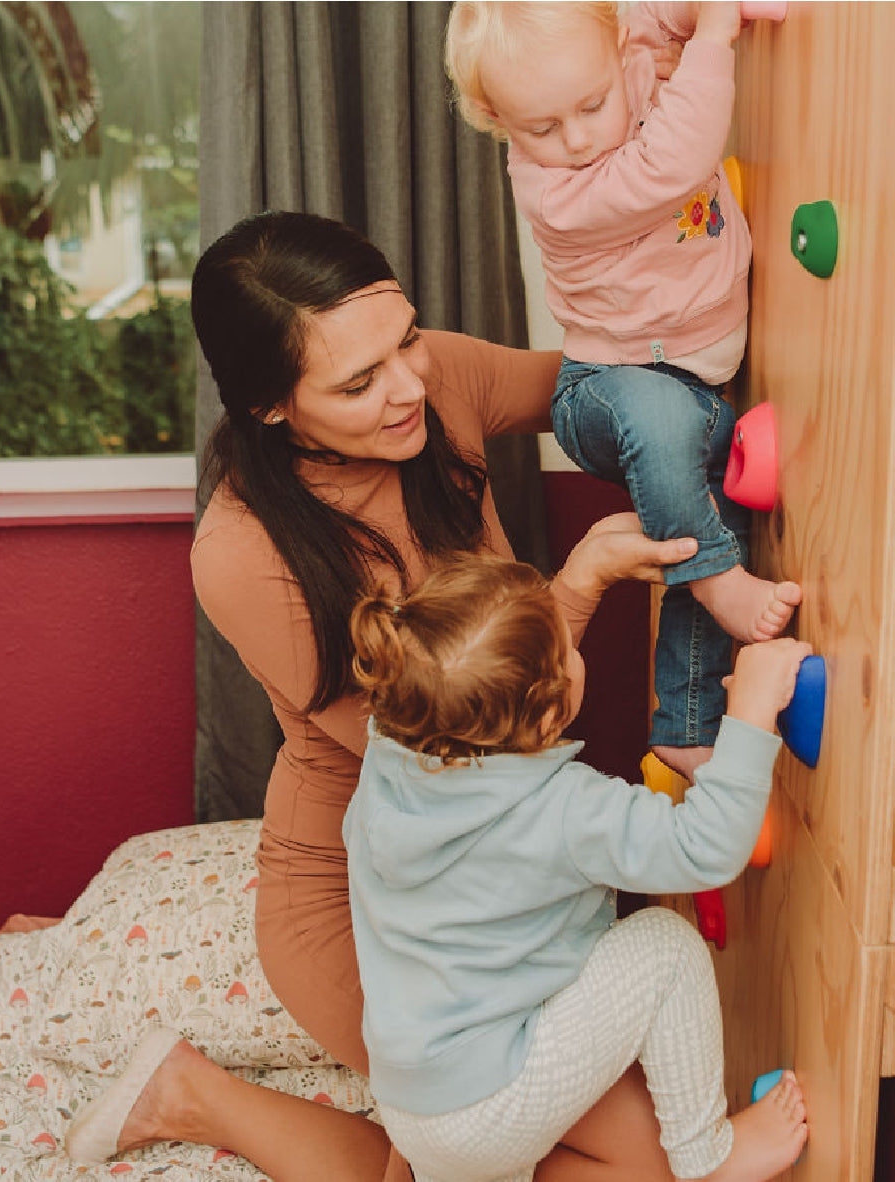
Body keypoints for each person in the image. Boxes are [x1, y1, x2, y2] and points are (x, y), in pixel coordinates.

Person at [65, 209, 718, 1182]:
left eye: (405, 336)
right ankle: (195, 1094)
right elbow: (459, 750)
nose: (410, 384)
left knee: (642, 1152)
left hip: (490, 865)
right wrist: (575, 589)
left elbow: (597, 388)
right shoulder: (244, 556)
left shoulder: (423, 378)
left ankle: (195, 1090)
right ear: (272, 408)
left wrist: (694, 364)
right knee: (557, 1163)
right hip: (367, 893)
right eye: (359, 382)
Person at [344, 553, 810, 1182]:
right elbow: (707, 848)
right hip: (488, 1099)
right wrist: (751, 710)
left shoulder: (386, 763)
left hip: (412, 1104)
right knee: (665, 949)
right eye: (568, 649)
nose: (575, 651)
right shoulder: (563, 809)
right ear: (546, 716)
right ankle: (710, 1161)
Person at [444, 2, 802, 787]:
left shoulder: (621, 40)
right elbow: (673, 163)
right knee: (673, 455)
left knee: (701, 508)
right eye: (540, 127)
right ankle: (714, 575)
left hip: (700, 384)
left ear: (613, 45)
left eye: (591, 106)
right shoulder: (558, 193)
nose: (574, 138)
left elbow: (656, 13)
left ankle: (688, 725)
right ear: (494, 119)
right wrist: (715, 39)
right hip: (607, 389)